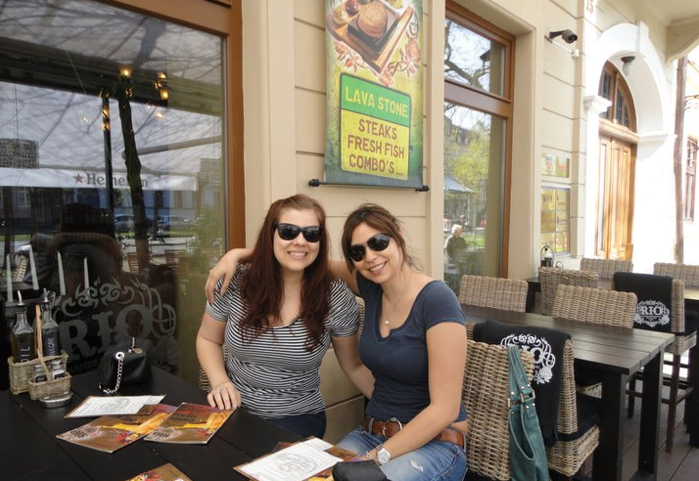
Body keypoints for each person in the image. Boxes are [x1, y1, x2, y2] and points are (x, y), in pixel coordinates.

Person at [206, 203, 468, 481]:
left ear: (398, 235)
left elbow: (445, 409)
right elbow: (302, 257)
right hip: (373, 433)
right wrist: (237, 255)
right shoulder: (371, 286)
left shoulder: (437, 300)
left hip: (434, 443)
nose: (370, 256)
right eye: (358, 252)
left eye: (379, 242)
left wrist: (374, 458)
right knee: (310, 477)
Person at [197, 194, 373, 439]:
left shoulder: (335, 297)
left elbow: (354, 366)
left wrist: (403, 412)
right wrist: (219, 382)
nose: (300, 241)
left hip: (297, 417)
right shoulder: (234, 281)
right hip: (233, 410)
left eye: (311, 234)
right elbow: (208, 339)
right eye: (288, 231)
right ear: (271, 234)